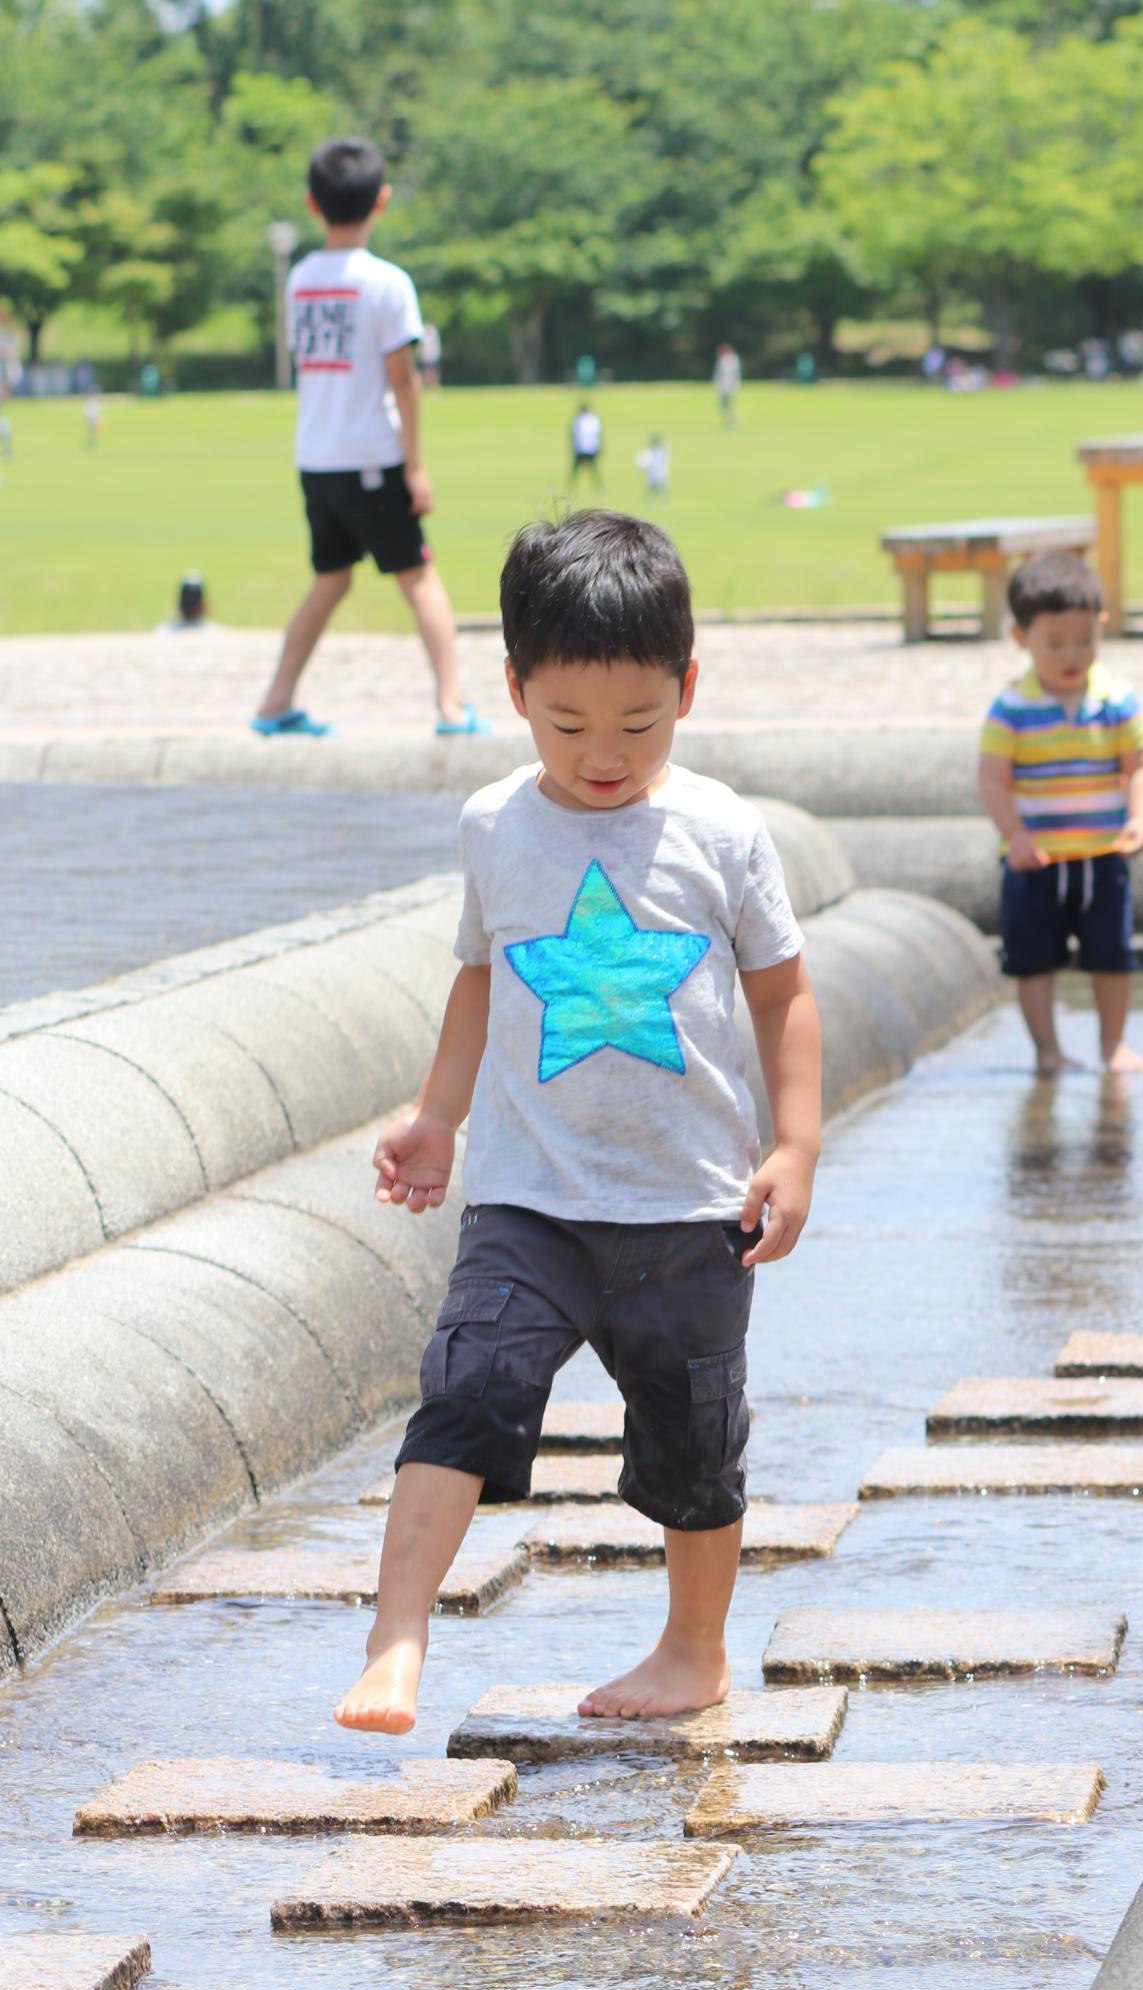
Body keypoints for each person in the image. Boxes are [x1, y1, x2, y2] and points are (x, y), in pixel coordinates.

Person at [334, 508, 822, 1736]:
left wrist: (795, 1145)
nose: (602, 754)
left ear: (687, 687)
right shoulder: (497, 824)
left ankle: (693, 1649)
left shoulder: (719, 832)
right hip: (530, 1198)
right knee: (467, 1385)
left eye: (638, 724)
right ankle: (397, 1638)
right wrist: (437, 1117)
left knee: (695, 1440)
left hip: (689, 1204)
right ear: (512, 686)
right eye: (566, 724)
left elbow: (784, 990)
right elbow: (478, 977)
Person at [253, 134, 485, 739]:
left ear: (312, 204)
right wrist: (415, 466)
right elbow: (403, 380)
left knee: (331, 578)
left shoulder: (300, 278)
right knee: (418, 576)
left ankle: (276, 700)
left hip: (316, 458)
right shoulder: (387, 283)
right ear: (381, 201)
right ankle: (451, 706)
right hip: (371, 459)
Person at [978, 551, 1143, 1075]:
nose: (1071, 654)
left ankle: (1113, 1045)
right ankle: (1048, 1051)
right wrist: (1013, 834)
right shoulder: (1012, 708)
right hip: (1034, 857)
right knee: (1032, 958)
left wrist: (1141, 818)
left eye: (1084, 640)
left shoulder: (1116, 699)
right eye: (1054, 643)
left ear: (1102, 627)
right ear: (1021, 638)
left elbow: (1142, 766)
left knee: (1113, 955)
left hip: (1103, 854)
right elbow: (992, 778)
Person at [569, 399, 604, 493]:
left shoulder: (577, 420)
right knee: (593, 470)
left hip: (581, 447)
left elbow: (574, 435)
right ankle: (598, 488)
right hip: (590, 447)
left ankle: (572, 489)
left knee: (577, 470)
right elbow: (598, 434)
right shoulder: (593, 420)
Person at [636, 433, 671, 500]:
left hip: (659, 475)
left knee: (660, 489)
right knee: (650, 490)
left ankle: (664, 501)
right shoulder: (652, 453)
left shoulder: (660, 452)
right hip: (653, 475)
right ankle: (649, 502)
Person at [713, 343, 741, 425]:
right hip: (726, 386)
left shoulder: (729, 359)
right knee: (725, 405)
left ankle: (731, 420)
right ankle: (729, 420)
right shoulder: (727, 359)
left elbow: (730, 374)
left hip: (727, 386)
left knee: (727, 404)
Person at [419, 321, 443, 390]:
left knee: (434, 372)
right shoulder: (425, 333)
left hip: (433, 356)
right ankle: (428, 386)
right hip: (426, 357)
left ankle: (434, 386)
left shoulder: (433, 333)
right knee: (427, 372)